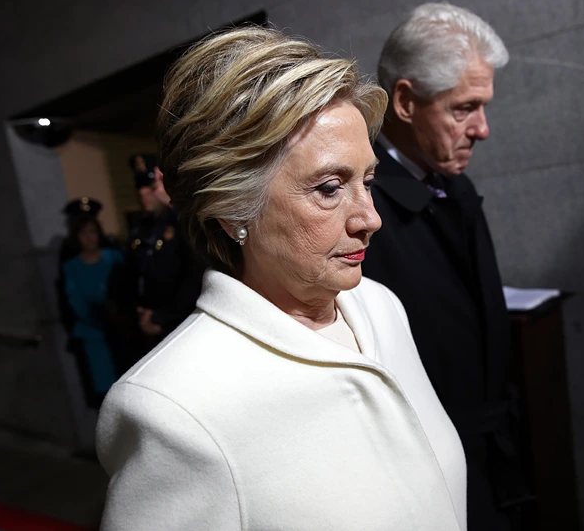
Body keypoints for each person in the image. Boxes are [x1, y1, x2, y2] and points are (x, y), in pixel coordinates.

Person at [97, 27, 467, 530]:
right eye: (330, 187)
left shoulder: (379, 306)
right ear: (231, 208)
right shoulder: (173, 408)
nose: (371, 218)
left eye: (368, 180)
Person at [362, 3, 532, 530]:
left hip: (489, 452)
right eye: (464, 109)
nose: (482, 129)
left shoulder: (456, 185)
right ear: (407, 101)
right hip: (423, 468)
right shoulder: (359, 204)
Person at [117, 153, 202, 361]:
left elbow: (195, 273)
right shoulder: (143, 228)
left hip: (183, 322)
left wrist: (162, 317)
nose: (143, 193)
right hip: (151, 324)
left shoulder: (182, 222)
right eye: (140, 187)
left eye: (151, 186)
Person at [59, 212, 123, 407]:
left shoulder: (114, 258)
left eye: (93, 232)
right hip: (93, 334)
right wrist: (98, 318)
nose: (89, 237)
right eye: (84, 233)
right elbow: (74, 300)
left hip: (121, 331)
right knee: (105, 391)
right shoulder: (71, 267)